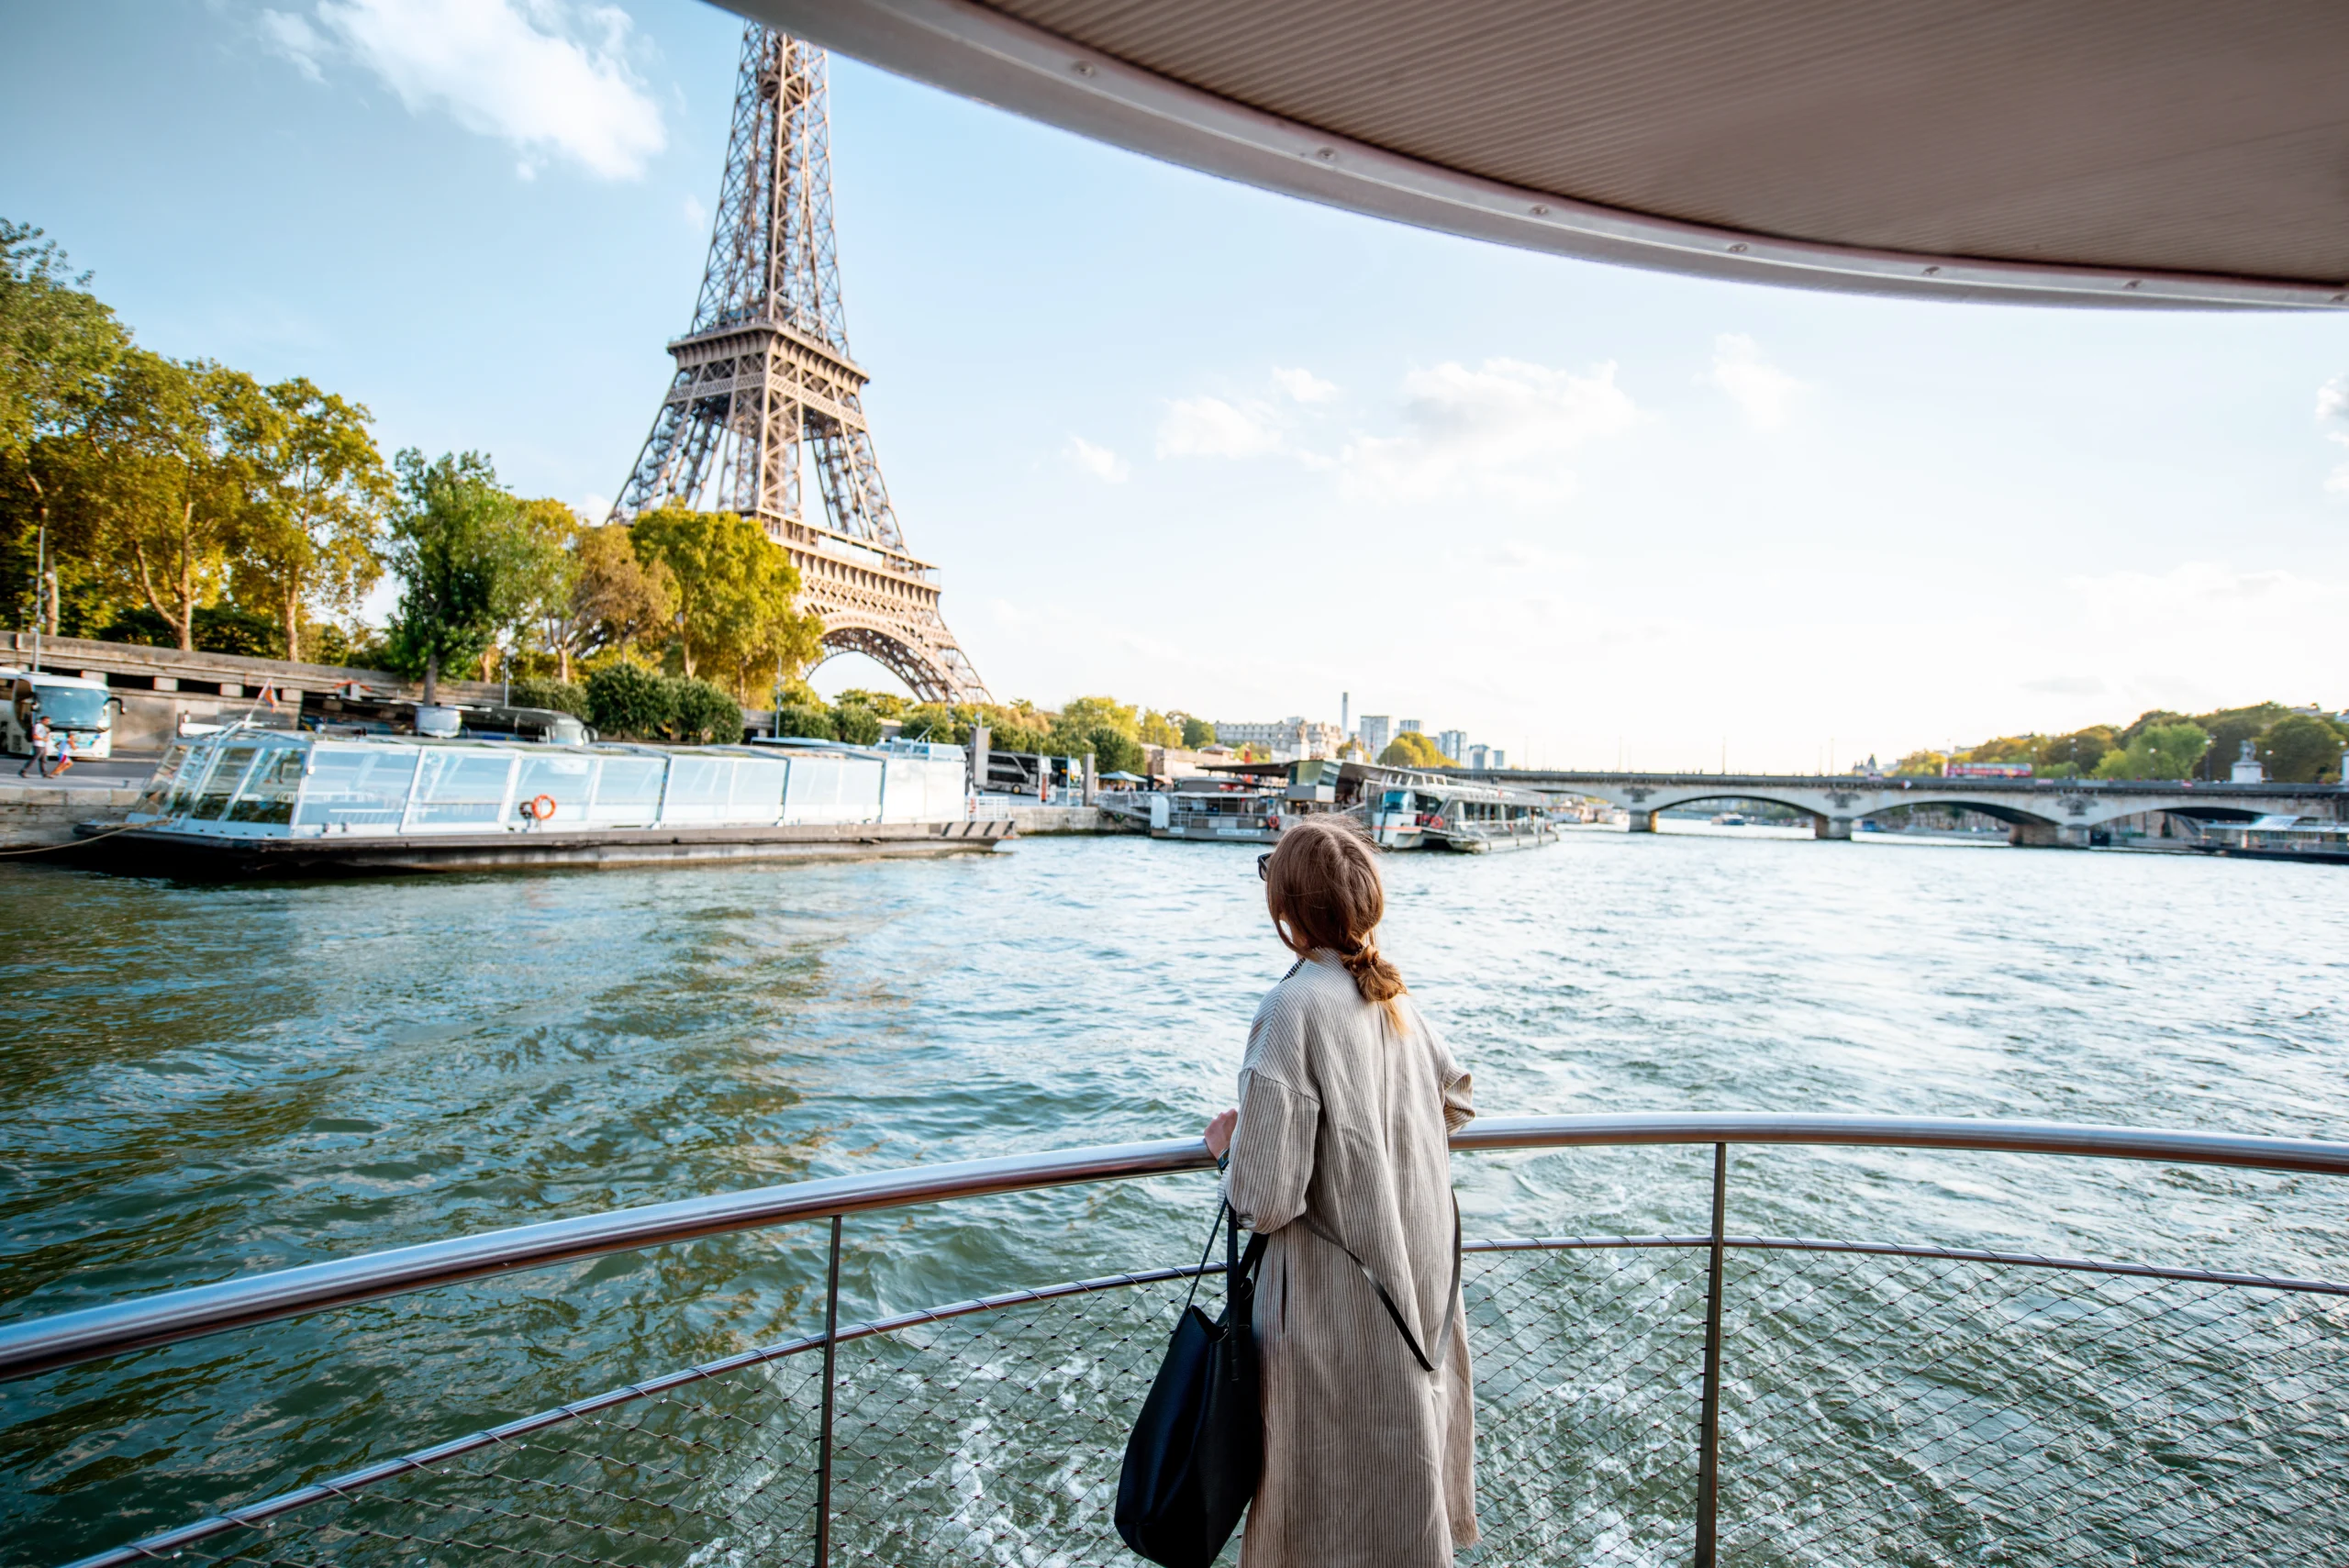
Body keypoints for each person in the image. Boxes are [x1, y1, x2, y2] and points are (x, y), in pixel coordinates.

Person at [1202, 816, 1476, 1568]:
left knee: (1319, 1513)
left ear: (1288, 907)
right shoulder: (1390, 995)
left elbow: (1263, 1198)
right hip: (1413, 1290)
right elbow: (1456, 1099)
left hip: (1333, 1316)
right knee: (1396, 1502)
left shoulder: (1294, 1007)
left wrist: (1228, 1149)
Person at [17, 712, 49, 778]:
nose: (48, 722)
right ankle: (23, 771)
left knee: (43, 760)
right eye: (46, 721)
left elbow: (45, 737)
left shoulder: (44, 727)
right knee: (34, 759)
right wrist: (43, 739)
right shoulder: (38, 726)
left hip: (43, 745)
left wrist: (47, 733)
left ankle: (44, 773)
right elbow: (34, 736)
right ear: (42, 720)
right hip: (38, 745)